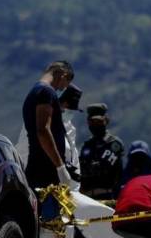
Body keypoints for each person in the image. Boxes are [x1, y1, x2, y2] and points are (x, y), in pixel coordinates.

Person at [22, 60, 77, 189]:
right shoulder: (46, 92)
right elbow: (43, 130)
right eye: (65, 84)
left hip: (36, 165)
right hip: (46, 170)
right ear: (63, 75)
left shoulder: (33, 92)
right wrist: (60, 167)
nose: (62, 89)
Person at [79, 103, 125, 200]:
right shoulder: (87, 146)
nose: (95, 125)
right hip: (87, 198)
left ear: (106, 121)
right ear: (88, 123)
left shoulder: (113, 144)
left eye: (99, 122)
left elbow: (105, 170)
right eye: (92, 122)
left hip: (107, 196)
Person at [58, 84, 83, 181]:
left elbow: (73, 155)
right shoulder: (44, 123)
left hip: (70, 184)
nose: (70, 113)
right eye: (69, 108)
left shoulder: (70, 128)